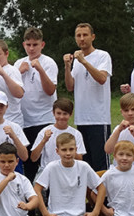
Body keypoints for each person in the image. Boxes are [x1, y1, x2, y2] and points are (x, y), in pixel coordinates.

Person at [34, 134, 102, 216]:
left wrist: (95, 212)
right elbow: (37, 188)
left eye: (71, 149)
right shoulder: (52, 167)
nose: (68, 153)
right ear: (57, 151)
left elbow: (101, 187)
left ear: (76, 149)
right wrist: (46, 214)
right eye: (64, 150)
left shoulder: (83, 166)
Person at [64, 23, 113, 171]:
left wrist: (84, 62)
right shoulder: (76, 60)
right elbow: (70, 86)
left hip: (98, 119)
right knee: (85, 165)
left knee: (100, 164)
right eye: (78, 35)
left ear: (93, 37)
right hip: (81, 119)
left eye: (85, 35)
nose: (82, 38)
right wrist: (67, 67)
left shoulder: (102, 56)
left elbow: (102, 79)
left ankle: (103, 188)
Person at [14, 27, 58, 181]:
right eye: (28, 45)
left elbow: (50, 90)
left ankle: (47, 192)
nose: (31, 48)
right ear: (23, 45)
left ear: (42, 45)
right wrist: (18, 72)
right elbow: (11, 90)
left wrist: (40, 70)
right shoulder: (18, 64)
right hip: (25, 121)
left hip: (45, 119)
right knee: (28, 162)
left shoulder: (48, 63)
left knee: (46, 161)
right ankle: (31, 193)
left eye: (35, 44)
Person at [29, 97, 86, 177]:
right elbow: (33, 158)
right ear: (53, 113)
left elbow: (79, 159)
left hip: (69, 170)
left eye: (65, 114)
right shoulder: (44, 131)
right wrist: (44, 141)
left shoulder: (76, 134)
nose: (61, 117)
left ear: (70, 114)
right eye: (58, 113)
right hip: (47, 171)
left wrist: (69, 149)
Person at [0, 39, 25, 127]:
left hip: (11, 121)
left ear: (6, 54)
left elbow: (19, 93)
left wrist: (3, 74)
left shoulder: (12, 70)